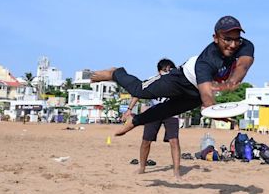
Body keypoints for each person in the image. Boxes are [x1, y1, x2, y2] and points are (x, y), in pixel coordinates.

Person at [91, 15, 254, 137]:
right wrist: (217, 112)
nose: (233, 45)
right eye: (227, 39)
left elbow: (243, 64)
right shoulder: (206, 62)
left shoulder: (244, 45)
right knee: (139, 90)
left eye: (236, 39)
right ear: (215, 38)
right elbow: (206, 96)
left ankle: (134, 121)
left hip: (195, 93)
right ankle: (115, 72)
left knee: (166, 111)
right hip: (180, 79)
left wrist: (233, 81)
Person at [123, 59, 182, 179]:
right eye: (165, 70)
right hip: (154, 112)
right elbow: (138, 92)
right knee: (146, 141)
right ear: (159, 71)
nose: (167, 72)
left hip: (172, 112)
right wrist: (129, 109)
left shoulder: (178, 82)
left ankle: (176, 171)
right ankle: (142, 168)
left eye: (170, 70)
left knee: (174, 141)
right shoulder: (153, 80)